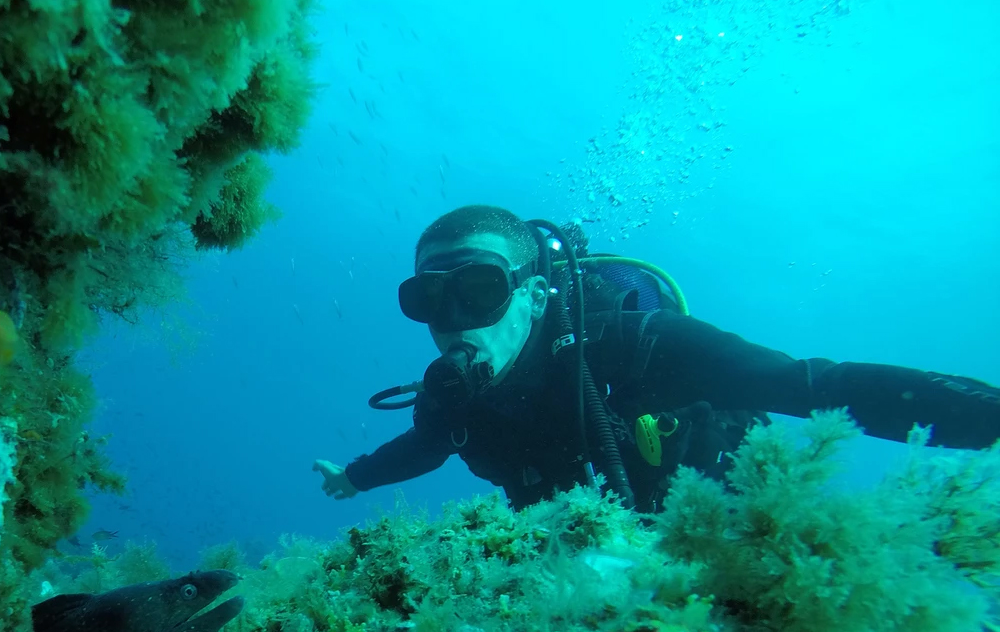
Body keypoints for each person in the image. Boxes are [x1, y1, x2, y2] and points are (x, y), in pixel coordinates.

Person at [314, 205, 1000, 513]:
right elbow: (426, 446)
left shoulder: (635, 345)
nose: (453, 320)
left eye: (480, 289)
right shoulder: (450, 395)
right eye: (429, 298)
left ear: (532, 294)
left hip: (714, 521)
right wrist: (355, 476)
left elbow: (812, 385)